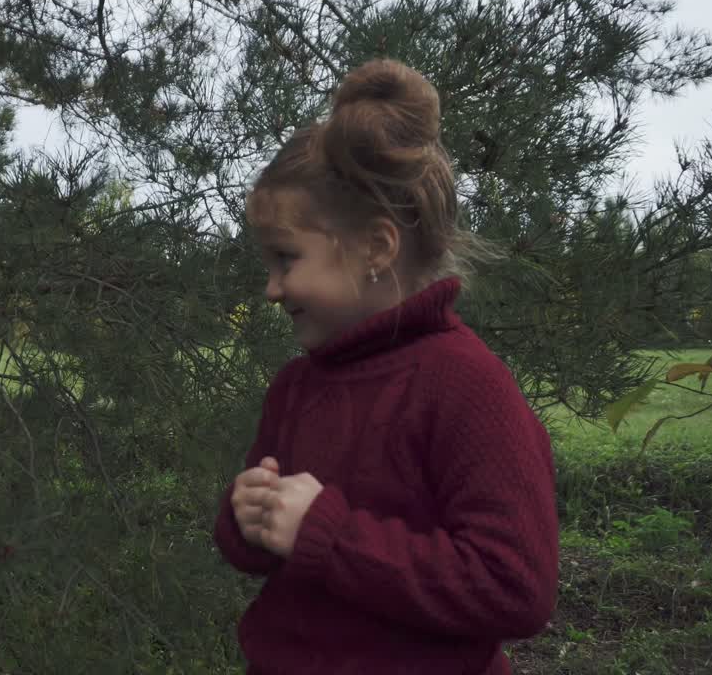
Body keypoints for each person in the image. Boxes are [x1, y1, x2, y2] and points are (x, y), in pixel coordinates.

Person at [213, 58, 559, 674]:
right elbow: (269, 552)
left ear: (376, 247)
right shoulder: (297, 386)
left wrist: (327, 534)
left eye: (285, 259)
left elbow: (514, 586)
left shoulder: (464, 386)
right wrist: (251, 517)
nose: (271, 287)